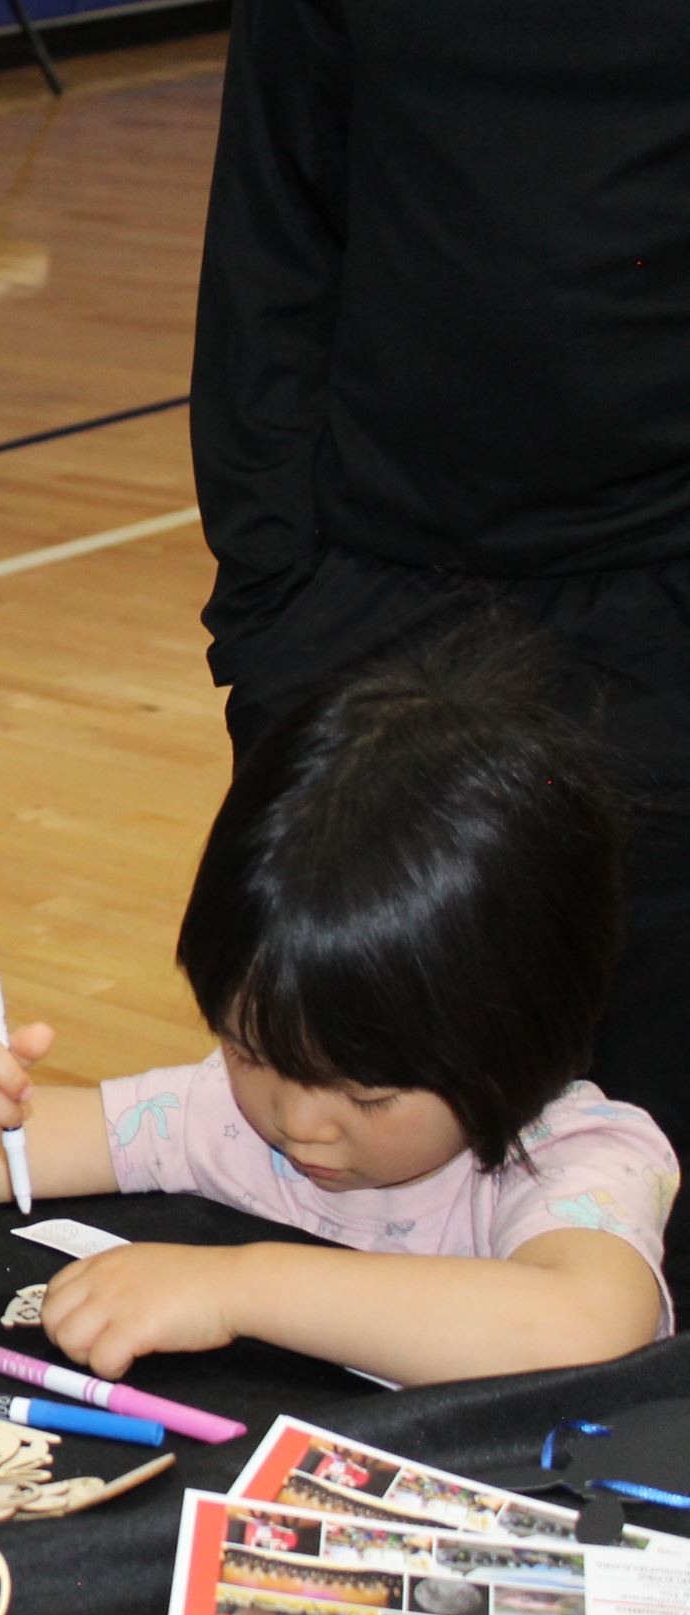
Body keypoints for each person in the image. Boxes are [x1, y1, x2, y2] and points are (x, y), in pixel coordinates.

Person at [189, 0, 690, 1277]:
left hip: (660, 614)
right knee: (333, 1135)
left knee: (640, 1184)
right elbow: (271, 232)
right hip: (362, 606)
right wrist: (273, 611)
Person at [0, 642, 676, 1386]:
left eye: (367, 1096)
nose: (296, 1120)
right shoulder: (223, 1118)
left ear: (515, 1039)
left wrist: (235, 1286)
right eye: (249, 1049)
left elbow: (585, 1335)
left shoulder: (573, 1157)